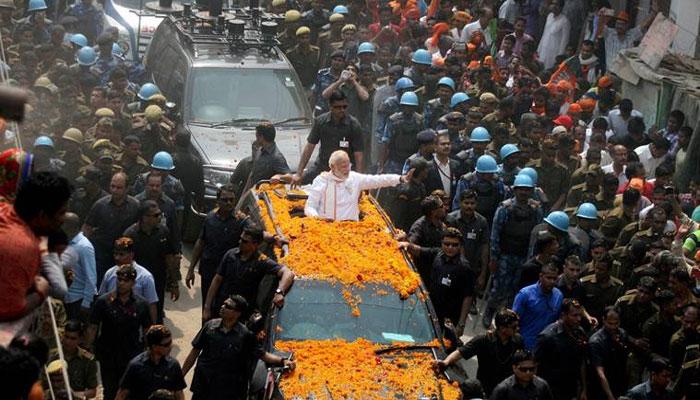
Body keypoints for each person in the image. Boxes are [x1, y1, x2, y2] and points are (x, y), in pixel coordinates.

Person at [182, 294, 295, 400]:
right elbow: (194, 353)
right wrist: (180, 376)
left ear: (237, 313)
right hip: (204, 385)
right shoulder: (209, 327)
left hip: (229, 391)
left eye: (228, 306)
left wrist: (283, 361)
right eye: (223, 304)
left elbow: (262, 355)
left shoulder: (245, 335)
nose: (222, 307)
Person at [0, 172, 71, 322]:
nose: (64, 219)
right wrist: (41, 292)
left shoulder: (4, 208)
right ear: (41, 215)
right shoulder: (22, 247)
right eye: (61, 213)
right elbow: (8, 312)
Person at [484, 174, 543, 328]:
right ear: (515, 190)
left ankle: (507, 318)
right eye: (521, 189)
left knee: (516, 289)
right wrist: (494, 257)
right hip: (505, 255)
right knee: (499, 288)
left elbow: (537, 233)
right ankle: (490, 311)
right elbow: (495, 233)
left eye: (527, 190)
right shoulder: (505, 208)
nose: (524, 193)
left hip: (524, 256)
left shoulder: (536, 209)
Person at [86, 264, 152, 400]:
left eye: (125, 280)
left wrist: (148, 353)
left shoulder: (141, 304)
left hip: (131, 356)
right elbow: (93, 327)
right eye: (119, 279)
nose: (121, 283)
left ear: (133, 283)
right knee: (110, 392)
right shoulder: (103, 302)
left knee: (130, 392)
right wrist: (88, 348)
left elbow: (147, 331)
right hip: (108, 356)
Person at [203, 225, 294, 321]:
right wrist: (207, 307)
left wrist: (279, 292)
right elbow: (217, 280)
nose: (240, 242)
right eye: (240, 239)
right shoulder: (230, 255)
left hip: (241, 314)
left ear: (255, 244)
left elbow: (288, 273)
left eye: (244, 241)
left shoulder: (261, 261)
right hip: (221, 307)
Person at [186, 184, 253, 307]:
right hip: (209, 270)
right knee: (207, 305)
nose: (229, 203)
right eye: (225, 200)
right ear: (218, 201)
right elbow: (200, 242)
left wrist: (273, 237)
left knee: (226, 307)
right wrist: (191, 269)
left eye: (231, 200)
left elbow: (255, 232)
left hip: (229, 274)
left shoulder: (240, 220)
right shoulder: (210, 217)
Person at [399, 228, 474, 334]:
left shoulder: (464, 268)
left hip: (450, 317)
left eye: (454, 245)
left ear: (460, 246)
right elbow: (420, 250)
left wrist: (461, 324)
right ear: (441, 243)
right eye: (447, 244)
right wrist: (406, 244)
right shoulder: (438, 254)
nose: (450, 248)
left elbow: (468, 297)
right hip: (432, 310)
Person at [433, 309, 523, 396]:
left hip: (507, 389)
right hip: (485, 387)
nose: (517, 329)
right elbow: (460, 352)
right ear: (502, 328)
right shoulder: (484, 340)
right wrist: (445, 362)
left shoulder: (517, 341)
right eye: (514, 327)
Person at [304, 150, 413, 221]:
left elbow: (378, 180)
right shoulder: (321, 181)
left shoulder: (354, 178)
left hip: (351, 230)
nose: (347, 170)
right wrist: (317, 218)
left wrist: (400, 178)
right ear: (332, 167)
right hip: (326, 231)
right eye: (343, 167)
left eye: (348, 165)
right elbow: (310, 206)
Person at [123, 200, 179, 324]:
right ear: (144, 217)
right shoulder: (130, 235)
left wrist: (174, 283)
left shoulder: (163, 231)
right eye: (155, 215)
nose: (159, 217)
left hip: (157, 282)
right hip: (136, 283)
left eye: (159, 214)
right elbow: (123, 261)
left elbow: (169, 258)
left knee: (156, 316)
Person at [294, 90, 364, 184]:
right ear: (330, 107)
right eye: (338, 107)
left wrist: (358, 181)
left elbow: (358, 155)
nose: (342, 110)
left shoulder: (354, 125)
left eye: (344, 107)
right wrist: (299, 173)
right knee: (300, 182)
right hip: (322, 168)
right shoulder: (320, 122)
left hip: (344, 172)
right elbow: (309, 147)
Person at [83, 171, 139, 285]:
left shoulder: (135, 206)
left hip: (125, 257)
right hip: (102, 255)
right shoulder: (100, 205)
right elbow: (87, 228)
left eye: (119, 187)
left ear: (127, 188)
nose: (114, 190)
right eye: (112, 186)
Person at [534, 298, 588, 400]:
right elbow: (536, 365)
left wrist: (584, 388)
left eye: (580, 315)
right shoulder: (548, 337)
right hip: (551, 390)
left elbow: (582, 362)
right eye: (574, 316)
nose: (579, 319)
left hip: (572, 388)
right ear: (563, 315)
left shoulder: (579, 333)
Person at [115, 325, 187, 400]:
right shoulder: (136, 366)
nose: (170, 346)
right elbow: (122, 394)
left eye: (170, 342)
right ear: (154, 346)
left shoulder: (173, 365)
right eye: (166, 345)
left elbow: (179, 393)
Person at [99, 237, 159, 323]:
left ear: (131, 255)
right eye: (115, 254)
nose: (117, 258)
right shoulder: (110, 273)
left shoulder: (145, 277)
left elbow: (151, 305)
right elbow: (102, 299)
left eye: (121, 254)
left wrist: (152, 329)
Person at [229, 122, 290, 198]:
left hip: (265, 199)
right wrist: (244, 196)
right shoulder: (260, 150)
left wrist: (279, 177)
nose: (256, 139)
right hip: (251, 196)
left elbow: (290, 177)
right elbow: (252, 175)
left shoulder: (277, 157)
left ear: (261, 137)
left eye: (257, 136)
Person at [446, 189, 490, 294]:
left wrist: (483, 274)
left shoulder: (482, 222)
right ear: (460, 203)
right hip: (452, 267)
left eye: (472, 203)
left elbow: (485, 246)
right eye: (466, 203)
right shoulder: (451, 219)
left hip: (473, 268)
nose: (469, 206)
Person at [512, 263, 564, 350]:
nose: (552, 282)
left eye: (554, 279)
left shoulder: (558, 295)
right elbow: (514, 320)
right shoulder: (525, 294)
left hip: (545, 347)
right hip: (525, 343)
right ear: (540, 276)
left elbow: (557, 321)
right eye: (548, 278)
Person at [587, 306, 632, 400]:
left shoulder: (622, 334)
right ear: (603, 320)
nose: (613, 327)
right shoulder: (596, 341)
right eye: (610, 323)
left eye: (616, 323)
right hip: (601, 387)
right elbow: (600, 373)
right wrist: (610, 396)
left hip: (619, 382)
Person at [60, 212, 97, 321]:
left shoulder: (84, 246)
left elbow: (91, 276)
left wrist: (86, 303)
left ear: (70, 227)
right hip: (65, 298)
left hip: (78, 300)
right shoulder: (64, 242)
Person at [52, 320, 98, 399]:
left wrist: (74, 394)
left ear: (80, 339)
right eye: (66, 337)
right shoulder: (52, 356)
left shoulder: (87, 360)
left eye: (73, 338)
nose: (68, 341)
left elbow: (92, 392)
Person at [489, 350, 554, 400]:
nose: (528, 372)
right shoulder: (503, 390)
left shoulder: (542, 386)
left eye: (531, 369)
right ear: (514, 368)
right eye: (524, 369)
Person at [536, 1, 570, 70]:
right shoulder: (549, 16)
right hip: (543, 50)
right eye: (553, 4)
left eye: (557, 5)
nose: (554, 6)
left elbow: (564, 41)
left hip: (554, 54)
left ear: (561, 7)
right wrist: (539, 49)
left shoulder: (565, 21)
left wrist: (559, 57)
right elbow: (544, 34)